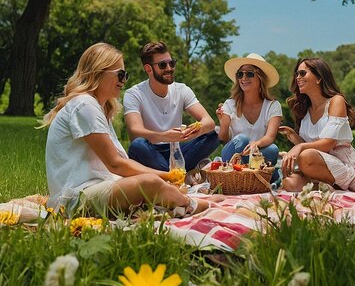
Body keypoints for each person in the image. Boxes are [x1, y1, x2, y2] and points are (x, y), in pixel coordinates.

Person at [43, 43, 209, 217]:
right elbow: (115, 163)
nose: (123, 81)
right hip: (77, 199)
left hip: (98, 188)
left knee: (152, 183)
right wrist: (165, 176)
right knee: (150, 182)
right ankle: (189, 204)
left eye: (125, 75)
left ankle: (182, 201)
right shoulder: (84, 104)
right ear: (98, 72)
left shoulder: (98, 108)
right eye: (120, 75)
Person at [279, 57, 355, 193]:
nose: (298, 77)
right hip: (319, 166)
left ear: (319, 78)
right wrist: (293, 136)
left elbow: (327, 144)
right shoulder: (305, 110)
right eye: (297, 74)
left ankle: (327, 187)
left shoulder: (336, 101)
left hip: (346, 168)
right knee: (290, 183)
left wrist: (300, 146)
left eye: (303, 73)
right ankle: (322, 185)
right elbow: (313, 147)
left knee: (305, 157)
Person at [124, 41, 219, 172]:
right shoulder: (134, 94)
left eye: (172, 63)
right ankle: (178, 174)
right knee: (137, 145)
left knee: (213, 135)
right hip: (151, 152)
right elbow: (135, 132)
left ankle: (172, 175)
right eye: (163, 65)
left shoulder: (182, 90)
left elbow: (209, 121)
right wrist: (164, 136)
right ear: (148, 69)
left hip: (177, 150)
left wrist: (192, 131)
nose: (169, 68)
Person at [216, 53, 282, 177]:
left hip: (256, 157)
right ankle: (261, 175)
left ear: (260, 78)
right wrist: (224, 125)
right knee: (242, 139)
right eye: (240, 74)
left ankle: (250, 175)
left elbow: (269, 137)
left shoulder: (273, 106)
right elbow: (223, 139)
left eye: (249, 74)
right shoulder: (229, 104)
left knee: (273, 149)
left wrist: (255, 144)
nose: (243, 78)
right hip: (233, 158)